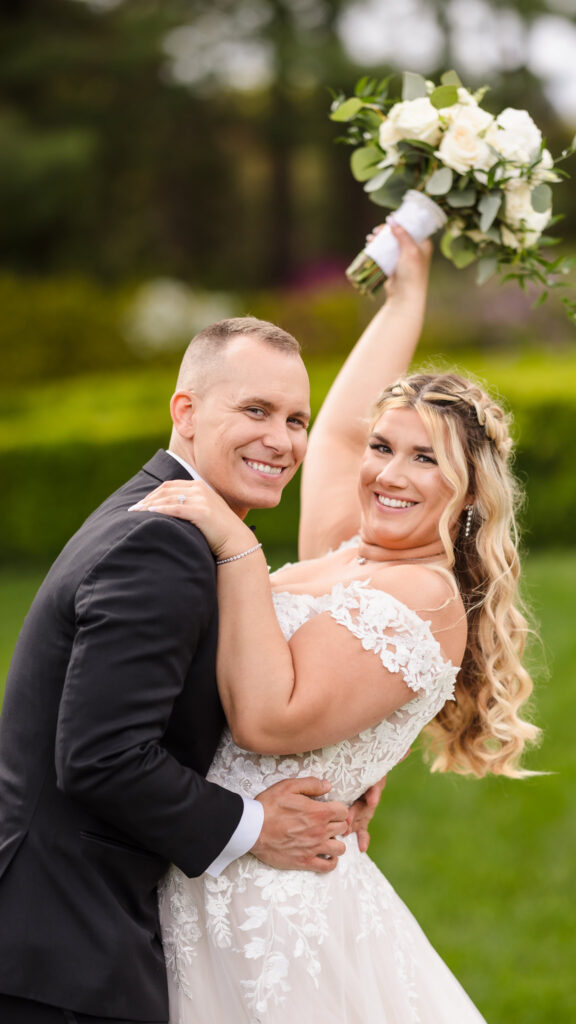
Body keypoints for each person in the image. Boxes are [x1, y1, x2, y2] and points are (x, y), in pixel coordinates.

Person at [136, 224, 540, 1023]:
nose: (389, 473)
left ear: (466, 495)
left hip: (273, 904)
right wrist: (406, 295)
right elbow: (339, 428)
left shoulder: (424, 597)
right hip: (201, 865)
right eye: (384, 448)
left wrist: (234, 542)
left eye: (426, 460)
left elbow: (267, 719)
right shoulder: (345, 552)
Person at [0, 302, 386, 1022]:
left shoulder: (182, 527)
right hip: (60, 946)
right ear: (186, 410)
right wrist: (255, 825)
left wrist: (349, 756)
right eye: (256, 410)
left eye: (296, 420)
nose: (281, 440)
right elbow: (101, 756)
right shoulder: (165, 541)